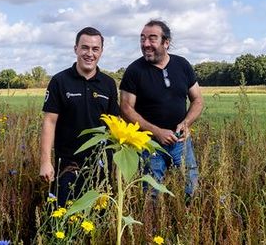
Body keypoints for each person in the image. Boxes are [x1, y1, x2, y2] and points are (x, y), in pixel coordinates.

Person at [119, 19, 203, 197]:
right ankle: (153, 225)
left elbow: (197, 100)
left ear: (166, 42)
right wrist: (156, 132)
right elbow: (126, 108)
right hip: (148, 144)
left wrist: (186, 123)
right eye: (142, 39)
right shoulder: (134, 71)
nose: (145, 44)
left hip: (180, 141)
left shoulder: (182, 65)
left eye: (152, 39)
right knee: (151, 194)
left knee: (192, 189)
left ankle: (188, 223)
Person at [40, 27, 119, 205]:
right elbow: (49, 122)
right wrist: (45, 161)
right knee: (64, 218)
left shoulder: (108, 84)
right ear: (75, 49)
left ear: (101, 52)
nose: (89, 53)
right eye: (85, 48)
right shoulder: (60, 81)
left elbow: (115, 124)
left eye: (95, 49)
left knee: (97, 219)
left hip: (101, 166)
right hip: (68, 166)